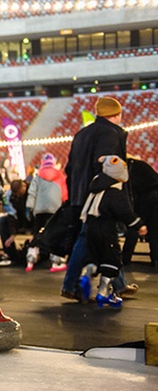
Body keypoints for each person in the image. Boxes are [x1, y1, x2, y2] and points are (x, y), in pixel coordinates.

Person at [60, 97, 127, 301]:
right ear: (116, 114)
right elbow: (106, 166)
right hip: (98, 195)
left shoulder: (81, 134)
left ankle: (119, 284)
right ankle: (70, 284)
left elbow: (69, 167)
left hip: (80, 193)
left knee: (103, 237)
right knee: (93, 238)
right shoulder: (110, 133)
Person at [79, 156, 147, 309]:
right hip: (106, 228)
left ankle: (86, 274)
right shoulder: (113, 191)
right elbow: (124, 212)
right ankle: (103, 293)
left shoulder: (95, 188)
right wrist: (139, 225)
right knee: (111, 258)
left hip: (90, 226)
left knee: (94, 255)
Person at [123, 157, 158, 269]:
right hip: (154, 198)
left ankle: (125, 258)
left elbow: (134, 194)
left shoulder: (128, 169)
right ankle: (155, 259)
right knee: (154, 231)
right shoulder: (139, 166)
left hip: (147, 198)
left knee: (134, 226)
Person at [26, 153, 68, 234]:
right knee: (52, 234)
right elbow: (64, 195)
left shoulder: (37, 178)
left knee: (39, 234)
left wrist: (29, 207)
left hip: (39, 211)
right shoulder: (61, 177)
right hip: (55, 210)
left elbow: (32, 193)